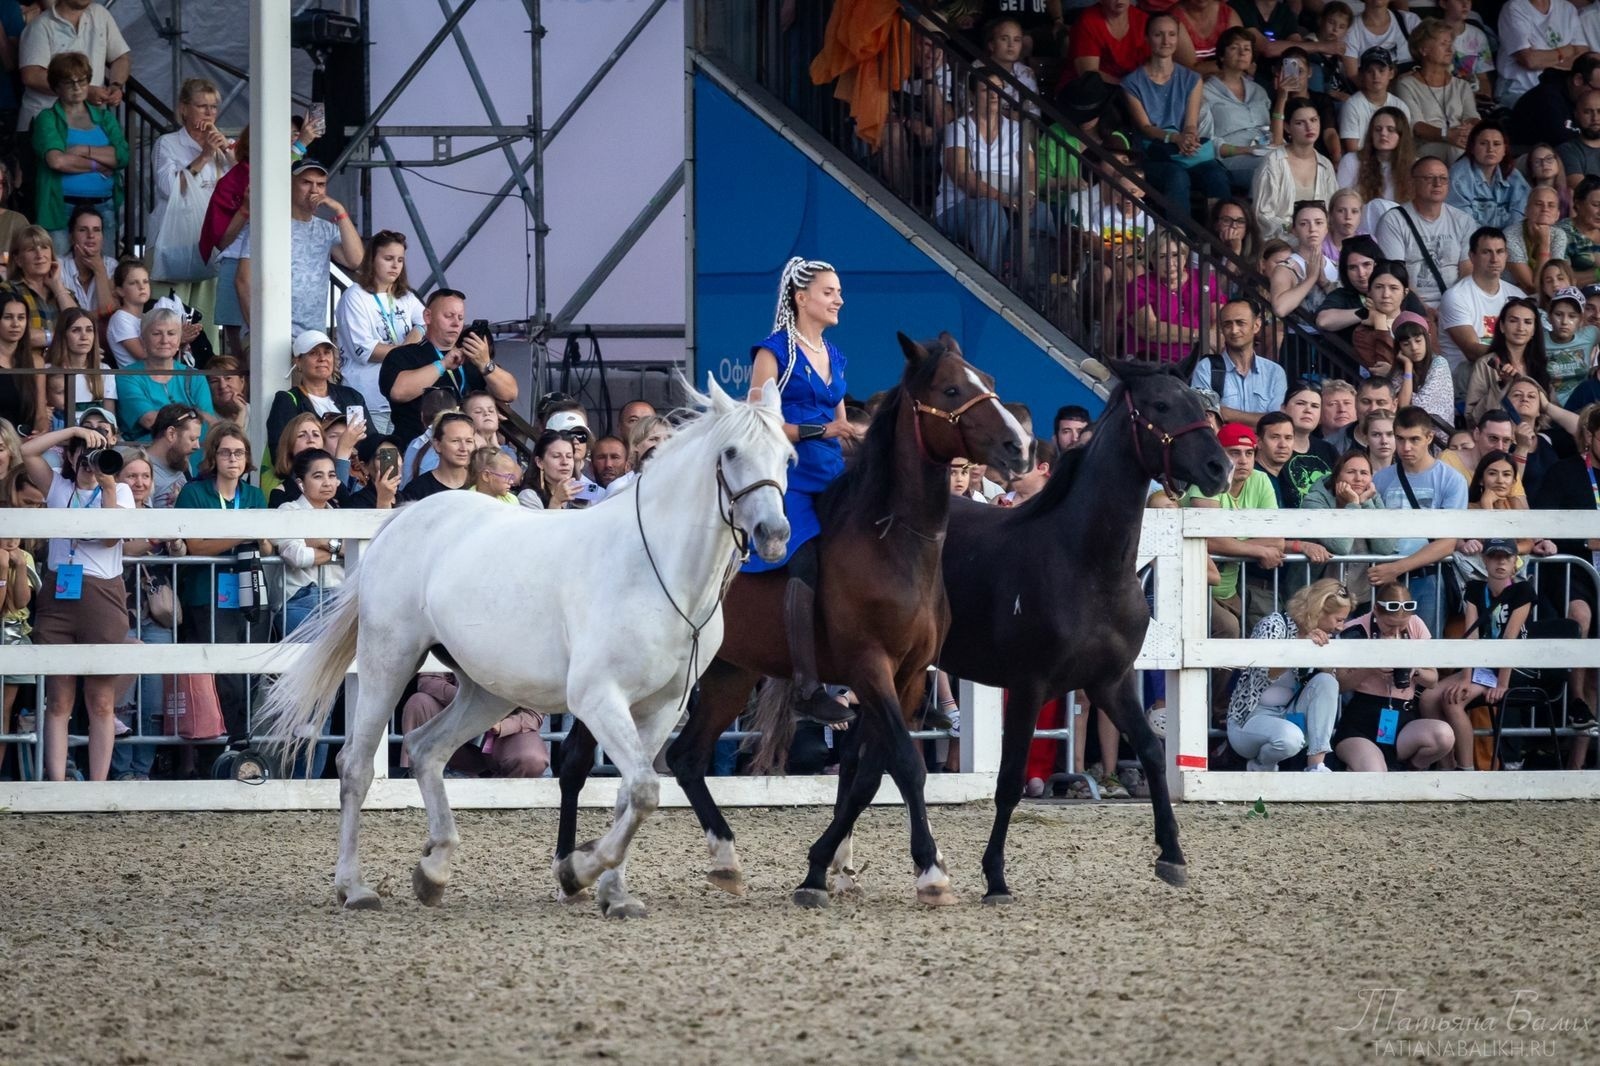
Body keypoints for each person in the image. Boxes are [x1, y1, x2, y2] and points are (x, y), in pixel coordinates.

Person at [17, 420, 132, 781]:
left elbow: (111, 538)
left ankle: (97, 787)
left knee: (101, 700)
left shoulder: (121, 490)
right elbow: (25, 452)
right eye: (83, 452)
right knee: (59, 700)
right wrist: (72, 433)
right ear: (70, 455)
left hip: (102, 594)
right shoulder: (58, 485)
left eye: (97, 451)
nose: (89, 458)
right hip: (59, 594)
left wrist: (107, 485)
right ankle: (57, 784)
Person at [934, 68, 1051, 276]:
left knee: (1040, 210)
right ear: (971, 95)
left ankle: (1037, 281)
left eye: (998, 89)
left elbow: (1031, 169)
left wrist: (1029, 194)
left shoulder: (1015, 129)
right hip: (959, 208)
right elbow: (962, 177)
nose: (993, 94)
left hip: (1009, 204)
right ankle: (995, 280)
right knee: (990, 209)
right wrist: (1003, 199)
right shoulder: (959, 128)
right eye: (985, 90)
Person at [1227, 578, 1351, 771]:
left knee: (1327, 682)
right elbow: (1265, 673)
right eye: (1339, 620)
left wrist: (1322, 655)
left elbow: (1329, 687)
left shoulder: (1325, 635)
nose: (1341, 627)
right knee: (1290, 738)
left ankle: (1316, 766)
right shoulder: (1274, 624)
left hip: (1290, 714)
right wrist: (1300, 649)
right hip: (1250, 719)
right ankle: (1261, 766)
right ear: (1318, 611)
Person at [1368, 406, 1468, 635]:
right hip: (1386, 575)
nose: (1406, 447)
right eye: (1400, 439)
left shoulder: (1451, 480)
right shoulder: (1381, 478)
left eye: (1414, 439)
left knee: (1423, 646)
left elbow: (1448, 542)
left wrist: (1397, 568)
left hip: (1428, 576)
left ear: (1429, 437)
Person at [1333, 586, 1455, 771]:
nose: (1395, 631)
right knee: (1375, 772)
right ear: (1376, 610)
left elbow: (1432, 680)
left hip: (1403, 716)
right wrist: (1371, 668)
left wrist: (1414, 671)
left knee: (1443, 736)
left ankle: (1411, 771)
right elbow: (1340, 685)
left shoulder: (1415, 623)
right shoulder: (1356, 629)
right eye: (1389, 625)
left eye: (1401, 626)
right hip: (1362, 719)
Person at [147, 77, 232, 340]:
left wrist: (228, 154)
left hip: (208, 243)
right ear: (184, 109)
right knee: (168, 320)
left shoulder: (224, 146)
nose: (209, 113)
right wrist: (204, 155)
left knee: (205, 324)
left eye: (213, 107)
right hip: (171, 243)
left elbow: (243, 185)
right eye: (202, 106)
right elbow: (169, 188)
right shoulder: (167, 143)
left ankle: (206, 365)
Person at [1122, 14, 1231, 215]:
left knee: (1216, 175)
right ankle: (1178, 233)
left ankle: (1219, 230)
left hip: (1183, 150)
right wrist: (1174, 138)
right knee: (1176, 176)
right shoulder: (1132, 82)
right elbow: (1145, 127)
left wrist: (1188, 139)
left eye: (1172, 34)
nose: (1166, 41)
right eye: (1158, 35)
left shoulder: (1192, 78)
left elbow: (1190, 123)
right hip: (1152, 153)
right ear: (1147, 38)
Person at [109, 446, 174, 780]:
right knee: (121, 698)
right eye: (131, 476)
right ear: (117, 479)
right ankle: (121, 770)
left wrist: (176, 541)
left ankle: (143, 769)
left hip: (156, 613)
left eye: (145, 476)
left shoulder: (159, 513)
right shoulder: (111, 511)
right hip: (121, 611)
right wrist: (154, 539)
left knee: (153, 699)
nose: (139, 482)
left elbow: (180, 550)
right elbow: (120, 548)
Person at [378, 289, 516, 445]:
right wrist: (442, 364)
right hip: (421, 447)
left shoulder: (473, 357)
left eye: (460, 317)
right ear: (428, 316)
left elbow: (510, 393)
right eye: (449, 316)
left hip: (470, 448)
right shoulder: (403, 355)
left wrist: (486, 364)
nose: (456, 323)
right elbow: (398, 392)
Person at [32, 50, 125, 255]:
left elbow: (121, 156)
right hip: (61, 208)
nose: (77, 87)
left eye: (82, 81)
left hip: (103, 206)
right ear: (56, 86)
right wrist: (97, 164)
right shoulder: (47, 118)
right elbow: (57, 161)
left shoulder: (105, 118)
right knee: (59, 269)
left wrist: (82, 150)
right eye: (69, 82)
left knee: (103, 268)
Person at [332, 231, 422, 437]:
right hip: (366, 399)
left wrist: (417, 332)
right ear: (372, 259)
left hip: (402, 399)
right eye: (388, 258)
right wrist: (407, 352)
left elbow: (427, 321)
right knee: (373, 455)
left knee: (401, 455)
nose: (395, 265)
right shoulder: (354, 296)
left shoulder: (406, 296)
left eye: (400, 260)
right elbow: (367, 351)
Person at [1375, 156, 1476, 309]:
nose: (1437, 184)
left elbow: (1467, 270)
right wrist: (1424, 310)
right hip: (1408, 304)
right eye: (1429, 178)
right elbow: (1396, 274)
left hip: (1455, 303)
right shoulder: (1393, 220)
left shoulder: (1463, 221)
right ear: (1413, 182)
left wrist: (1452, 307)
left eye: (1443, 179)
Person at [16, 0, 129, 134]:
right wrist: (85, 92)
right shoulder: (40, 26)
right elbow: (31, 76)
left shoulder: (100, 14)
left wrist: (115, 85)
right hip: (44, 121)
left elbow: (121, 57)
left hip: (89, 121)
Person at [1300, 448, 1399, 596]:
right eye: (1351, 472)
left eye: (1364, 473)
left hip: (1363, 595)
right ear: (1336, 477)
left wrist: (1366, 503)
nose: (1358, 478)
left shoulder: (1372, 498)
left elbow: (1385, 547)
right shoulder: (1315, 501)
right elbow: (1341, 546)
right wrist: (1353, 504)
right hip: (1320, 595)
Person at [264, 329, 369, 464]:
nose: (322, 358)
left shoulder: (352, 396)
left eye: (327, 352)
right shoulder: (286, 400)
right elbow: (279, 452)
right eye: (313, 353)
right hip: (310, 474)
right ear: (298, 362)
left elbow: (372, 441)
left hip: (355, 473)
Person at [1438, 225, 1525, 386]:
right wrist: (1514, 358)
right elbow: (1471, 350)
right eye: (1486, 252)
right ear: (1472, 256)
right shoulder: (1456, 296)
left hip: (1507, 368)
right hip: (1465, 374)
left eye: (1500, 252)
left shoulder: (1518, 295)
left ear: (1506, 255)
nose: (1494, 259)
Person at [116, 307, 218, 443]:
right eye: (156, 334)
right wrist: (194, 414)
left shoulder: (195, 376)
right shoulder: (127, 376)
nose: (164, 340)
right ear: (143, 339)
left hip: (195, 451)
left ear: (179, 339)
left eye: (171, 333)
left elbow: (208, 422)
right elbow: (150, 421)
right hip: (147, 452)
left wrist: (196, 417)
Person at [287, 159, 362, 335]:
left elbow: (356, 260)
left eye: (321, 184)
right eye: (306, 182)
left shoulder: (326, 229)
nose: (314, 190)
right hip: (274, 329)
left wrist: (340, 210)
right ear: (290, 184)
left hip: (313, 332)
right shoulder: (270, 224)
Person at [1203, 27, 1281, 192]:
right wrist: (1246, 150)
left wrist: (1282, 97)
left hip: (1266, 152)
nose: (1242, 52)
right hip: (1232, 157)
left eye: (1247, 49)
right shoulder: (1205, 92)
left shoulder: (1259, 90)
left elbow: (1272, 135)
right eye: (1234, 47)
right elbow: (1207, 141)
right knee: (1272, 166)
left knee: (1313, 161)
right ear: (1221, 55)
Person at [1250, 98, 1337, 243]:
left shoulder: (1325, 165)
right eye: (1300, 123)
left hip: (1319, 242)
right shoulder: (1273, 162)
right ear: (1287, 127)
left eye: (1313, 120)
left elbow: (1332, 210)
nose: (1309, 127)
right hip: (1281, 243)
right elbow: (1262, 215)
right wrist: (1291, 228)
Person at [1395, 19, 1479, 163]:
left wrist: (1469, 128)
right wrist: (1447, 135)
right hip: (1424, 150)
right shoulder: (1406, 85)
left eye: (1450, 44)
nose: (1450, 50)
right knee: (1455, 150)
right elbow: (1416, 126)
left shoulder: (1462, 85)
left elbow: (1472, 116)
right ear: (1424, 50)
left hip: (1459, 143)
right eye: (1443, 44)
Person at [1464, 296, 1550, 423]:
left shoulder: (1541, 363)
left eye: (1528, 322)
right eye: (1513, 321)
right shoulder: (1486, 364)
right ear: (1502, 326)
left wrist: (1535, 428)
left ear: (1534, 330)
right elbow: (1472, 418)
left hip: (1536, 432)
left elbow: (1551, 411)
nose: (1520, 328)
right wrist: (1502, 386)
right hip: (1498, 433)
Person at [3, 224, 77, 358]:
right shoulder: (7, 290)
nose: (39, 255)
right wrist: (62, 338)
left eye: (44, 247)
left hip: (63, 364)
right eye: (31, 249)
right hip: (25, 365)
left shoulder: (65, 293)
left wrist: (58, 287)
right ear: (18, 260)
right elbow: (17, 333)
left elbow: (80, 324)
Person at [1495, 0, 1585, 109]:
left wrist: (1543, 60)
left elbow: (1582, 56)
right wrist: (1565, 51)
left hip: (1559, 92)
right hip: (1520, 91)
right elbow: (1530, 60)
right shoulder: (1514, 7)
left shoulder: (1567, 8)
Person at [1446, 121, 1529, 232]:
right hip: (1471, 239)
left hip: (1509, 238)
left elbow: (1521, 214)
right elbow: (1463, 222)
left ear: (1504, 149)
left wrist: (1507, 238)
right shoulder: (1458, 176)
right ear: (1472, 148)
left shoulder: (1513, 175)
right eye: (1483, 143)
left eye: (1496, 144)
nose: (1490, 149)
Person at [1335, 107, 1412, 222]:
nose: (1383, 133)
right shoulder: (1352, 160)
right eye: (1378, 129)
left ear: (1401, 135)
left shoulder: (1415, 165)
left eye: (1390, 129)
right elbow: (1342, 201)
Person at [1269, 199, 1337, 318]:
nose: (1312, 229)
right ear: (1294, 230)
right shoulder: (1285, 269)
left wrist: (1325, 283)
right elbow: (1280, 309)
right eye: (1304, 224)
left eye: (1319, 223)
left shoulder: (1337, 266)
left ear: (1327, 228)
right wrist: (1311, 278)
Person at [1338, 47, 1411, 156]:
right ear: (1361, 75)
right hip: (1363, 161)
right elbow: (1352, 150)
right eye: (1369, 71)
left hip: (1394, 160)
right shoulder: (1352, 105)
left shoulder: (1400, 106)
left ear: (1391, 73)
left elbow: (1405, 143)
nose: (1376, 76)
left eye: (1381, 70)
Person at [1390, 312, 1455, 428]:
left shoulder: (1439, 363)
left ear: (1428, 338)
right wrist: (1408, 366)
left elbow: (1415, 407)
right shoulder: (1400, 368)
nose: (1414, 348)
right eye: (1406, 344)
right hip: (1406, 430)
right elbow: (1401, 405)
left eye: (1418, 341)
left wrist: (1406, 395)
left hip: (1436, 433)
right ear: (1399, 348)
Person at [46, 304, 110, 421]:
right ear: (63, 335)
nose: (84, 337)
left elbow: (110, 416)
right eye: (76, 330)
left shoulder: (104, 370)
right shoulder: (46, 370)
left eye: (89, 330)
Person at [1350, 260, 1412, 375]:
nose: (1386, 295)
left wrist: (1394, 372)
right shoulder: (1362, 333)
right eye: (1379, 287)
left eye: (1394, 288)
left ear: (1405, 292)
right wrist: (1380, 323)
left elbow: (1431, 368)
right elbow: (1381, 370)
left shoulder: (1420, 323)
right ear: (1369, 292)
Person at [399, 410, 474, 503]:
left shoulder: (481, 483)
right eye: (455, 441)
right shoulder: (417, 490)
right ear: (437, 445)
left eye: (469, 441)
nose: (464, 448)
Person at [1067, 0, 1148, 86]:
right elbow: (1089, 73)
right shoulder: (1087, 21)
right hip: (1092, 86)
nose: (1119, 0)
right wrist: (1128, 87)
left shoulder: (1143, 19)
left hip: (1131, 85)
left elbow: (1153, 63)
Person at [1505, 186, 1568, 294]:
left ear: (1557, 215)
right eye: (1539, 204)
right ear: (1526, 210)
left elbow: (1553, 278)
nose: (1545, 209)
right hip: (1514, 296)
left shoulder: (1559, 235)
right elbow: (1533, 287)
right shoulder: (1510, 236)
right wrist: (1544, 244)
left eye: (1551, 205)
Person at [57, 205, 114, 317]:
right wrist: (96, 316)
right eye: (83, 230)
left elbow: (108, 311)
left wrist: (100, 270)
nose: (91, 235)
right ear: (71, 237)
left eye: (96, 230)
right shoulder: (59, 267)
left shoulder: (113, 267)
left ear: (102, 237)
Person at [142, 403, 200, 509]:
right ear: (171, 434)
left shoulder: (183, 464)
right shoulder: (139, 470)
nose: (197, 446)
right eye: (192, 439)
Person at [0, 289, 40, 434]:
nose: (16, 324)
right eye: (8, 317)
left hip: (28, 440)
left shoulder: (36, 362)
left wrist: (38, 433)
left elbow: (40, 415)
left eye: (21, 318)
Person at [516, 427, 583, 510]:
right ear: (539, 462)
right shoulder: (529, 496)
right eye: (556, 456)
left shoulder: (581, 493)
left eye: (569, 456)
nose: (565, 462)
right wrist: (556, 501)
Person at [1555, 177, 1600, 288]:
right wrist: (1597, 274)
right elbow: (1561, 279)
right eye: (1595, 205)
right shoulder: (1562, 233)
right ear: (1578, 204)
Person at [103, 257, 148, 367]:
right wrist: (177, 341)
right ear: (120, 291)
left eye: (145, 281)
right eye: (133, 283)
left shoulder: (146, 317)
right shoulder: (120, 318)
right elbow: (143, 355)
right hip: (135, 376)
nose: (142, 287)